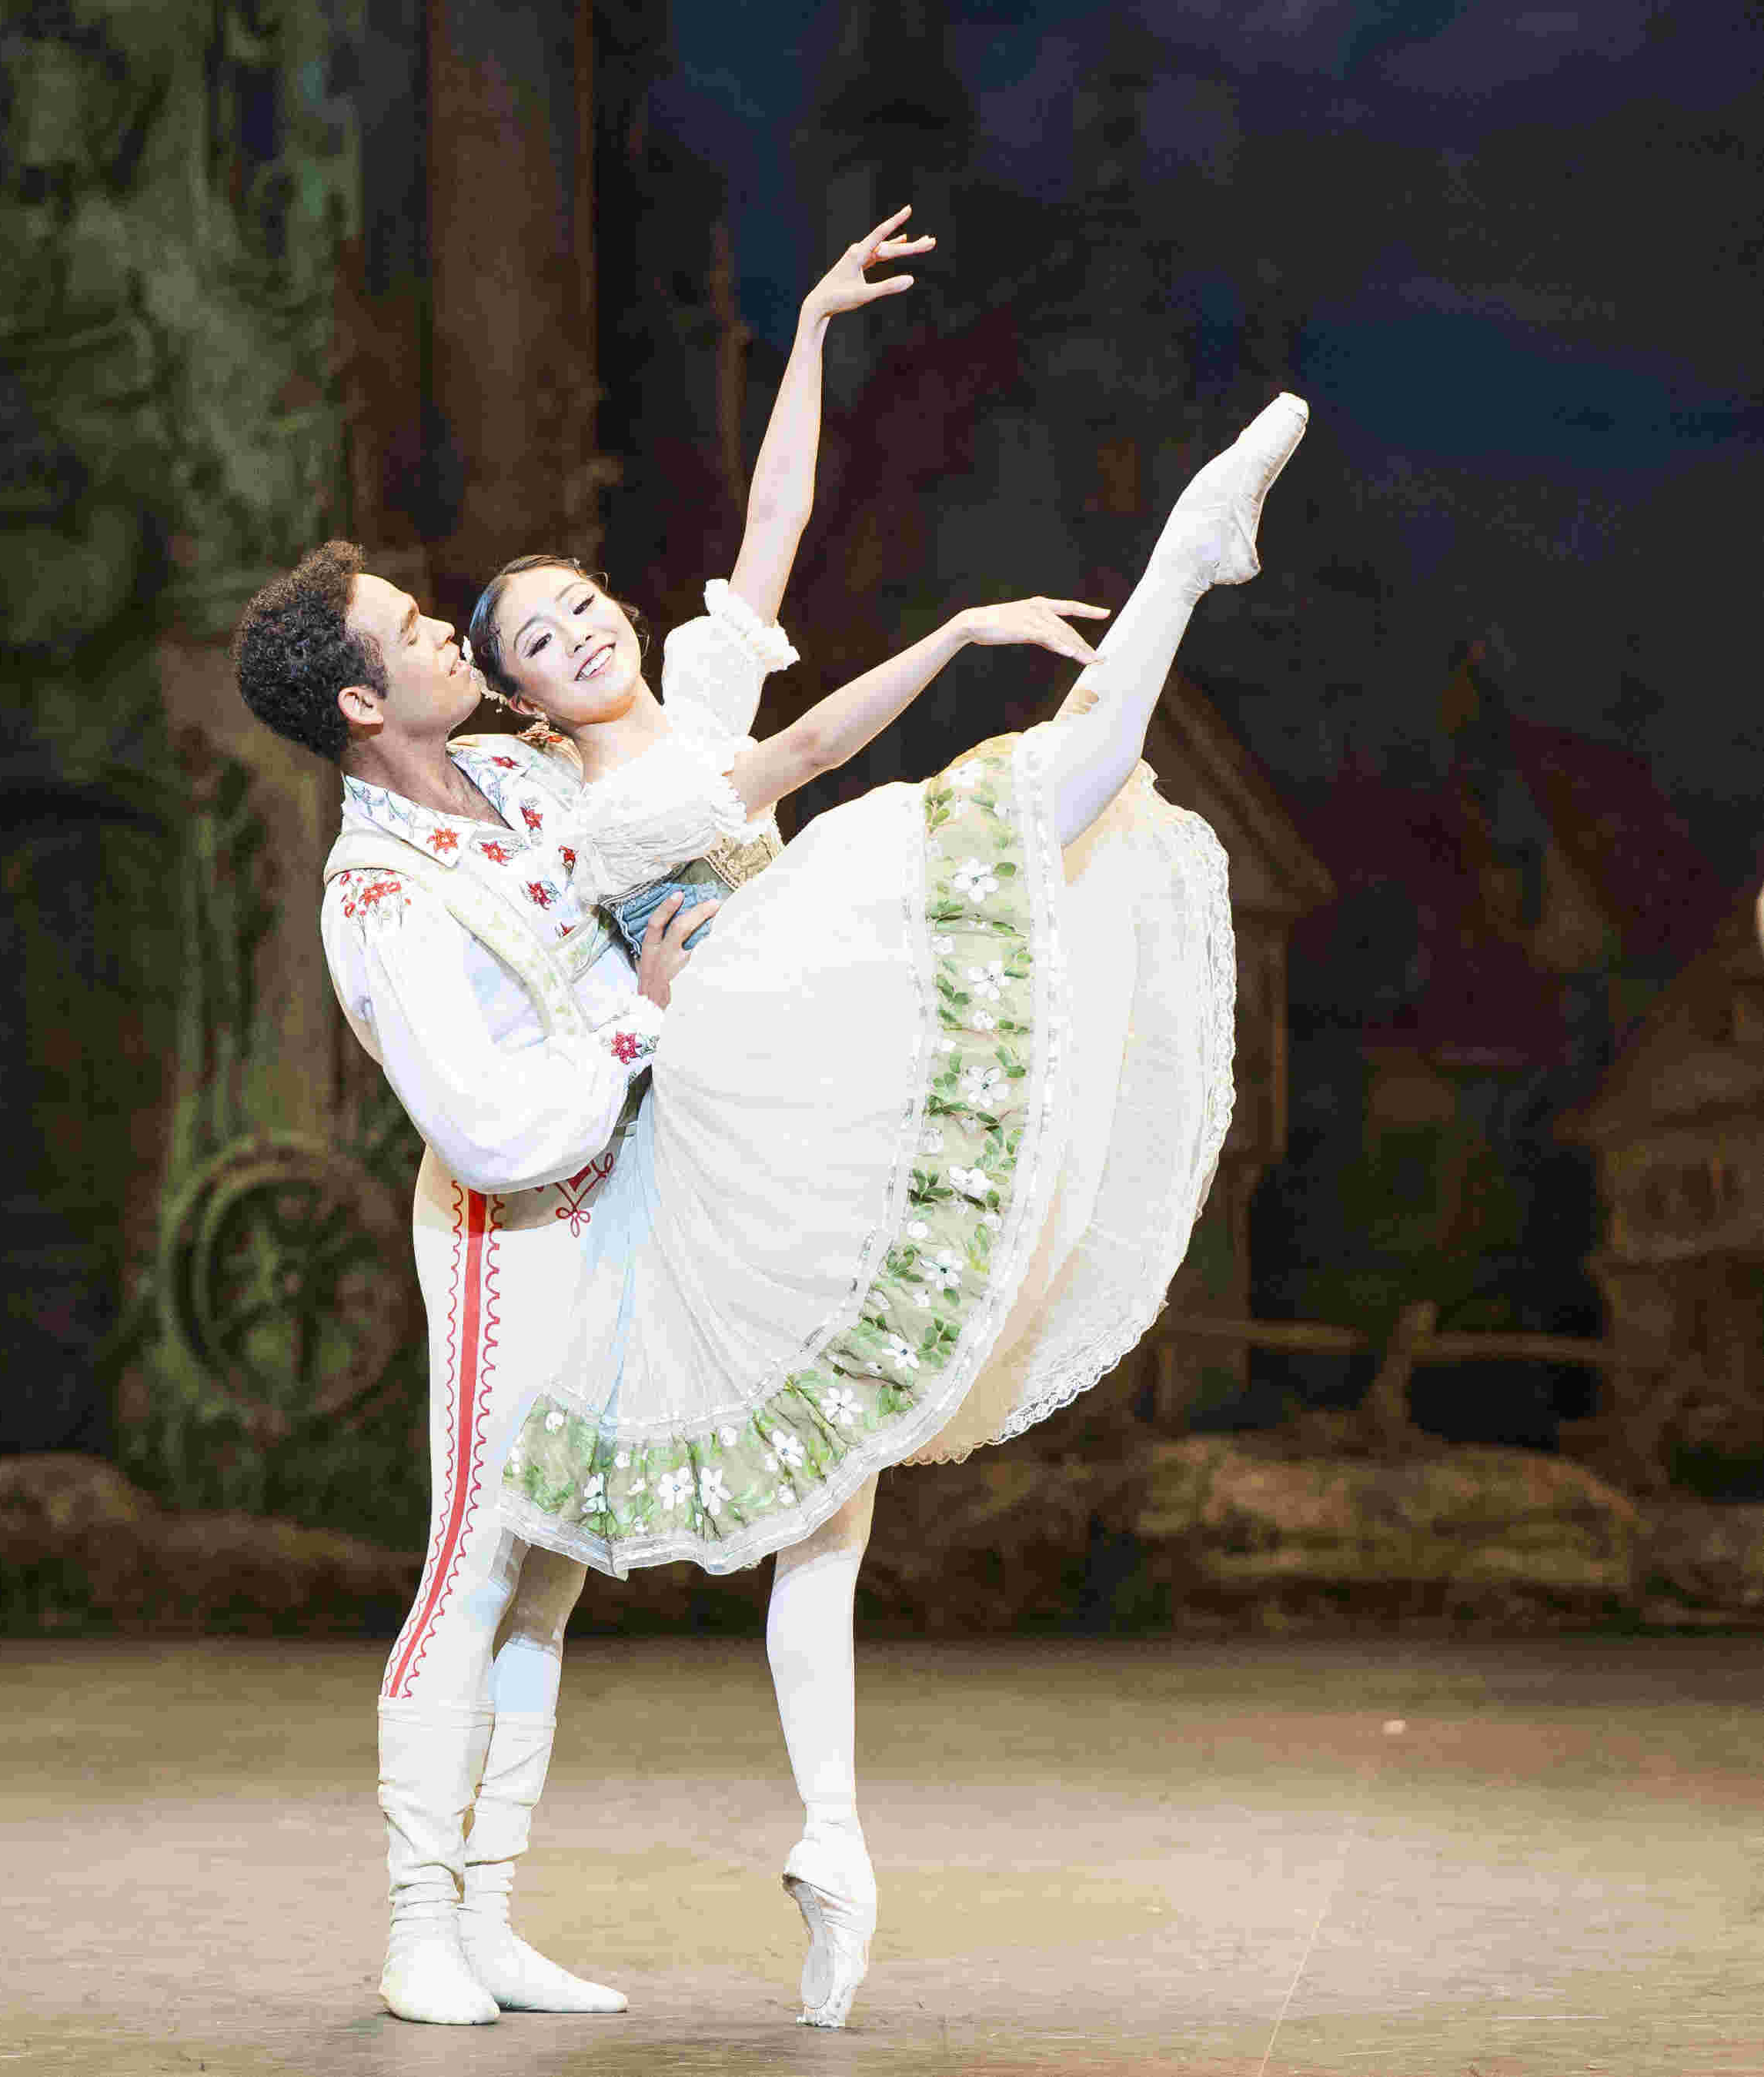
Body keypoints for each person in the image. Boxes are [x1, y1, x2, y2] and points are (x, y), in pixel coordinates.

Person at [463, 390, 1308, 2028]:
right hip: (744, 1055)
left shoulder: (686, 687)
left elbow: (766, 535)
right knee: (992, 808)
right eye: (540, 641)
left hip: (798, 1031)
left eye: (579, 602)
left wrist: (808, 336)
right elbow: (800, 755)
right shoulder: (599, 812)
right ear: (517, 696)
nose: (577, 632)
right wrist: (963, 625)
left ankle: (833, 1844)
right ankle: (1183, 563)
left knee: (828, 1518)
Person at [231, 209, 938, 2030]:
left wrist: (801, 334)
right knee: (477, 1549)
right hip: (504, 1226)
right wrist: (649, 1009)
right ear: (362, 700)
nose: (454, 627)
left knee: (551, 1571)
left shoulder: (513, 767)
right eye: (418, 629)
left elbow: (747, 649)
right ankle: (412, 1916)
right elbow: (486, 1122)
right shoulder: (376, 895)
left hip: (611, 1186)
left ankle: (487, 1908)